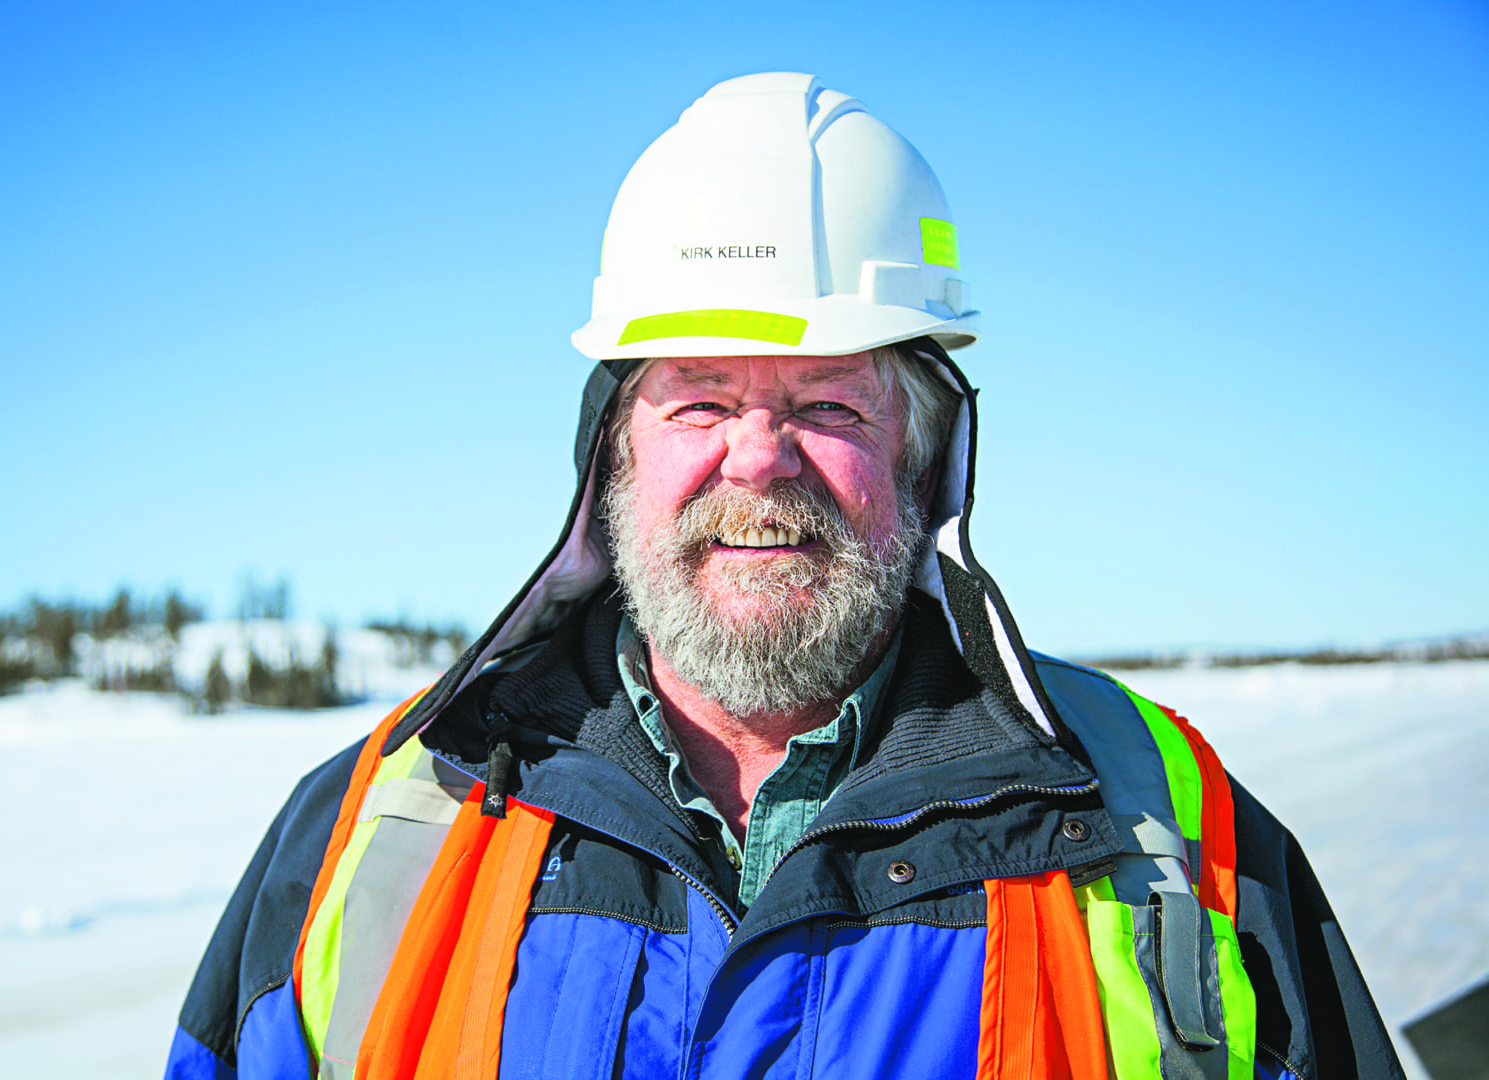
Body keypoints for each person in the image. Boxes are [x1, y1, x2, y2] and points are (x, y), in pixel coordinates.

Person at [166, 73, 1401, 1080]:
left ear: (925, 463)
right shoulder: (378, 826)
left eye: (826, 403)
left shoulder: (1164, 827)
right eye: (699, 398)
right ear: (611, 455)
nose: (758, 461)